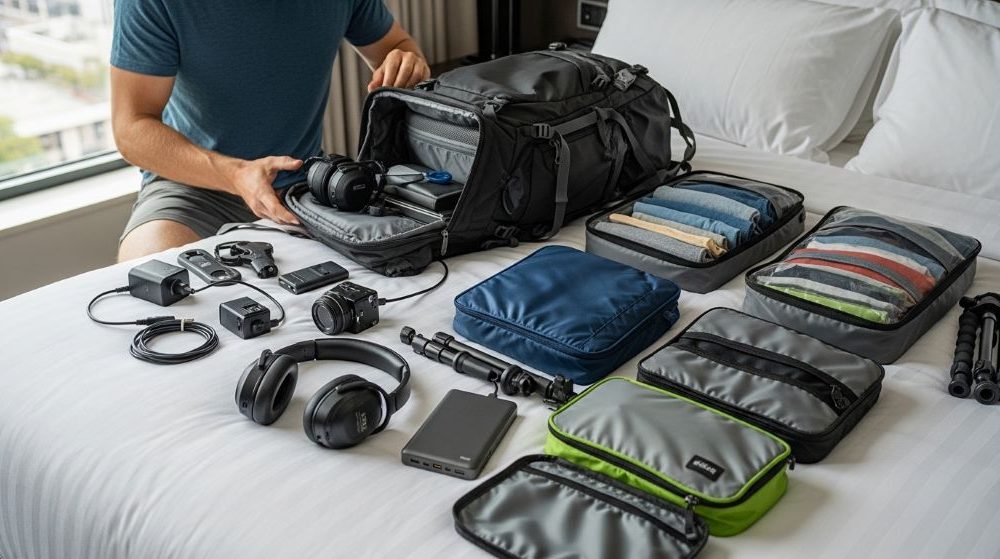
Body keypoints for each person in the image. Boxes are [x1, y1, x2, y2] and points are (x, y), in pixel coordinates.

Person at [111, 0, 430, 261]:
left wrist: (407, 62)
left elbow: (396, 46)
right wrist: (236, 174)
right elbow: (131, 129)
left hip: (303, 187)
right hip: (193, 188)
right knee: (148, 272)